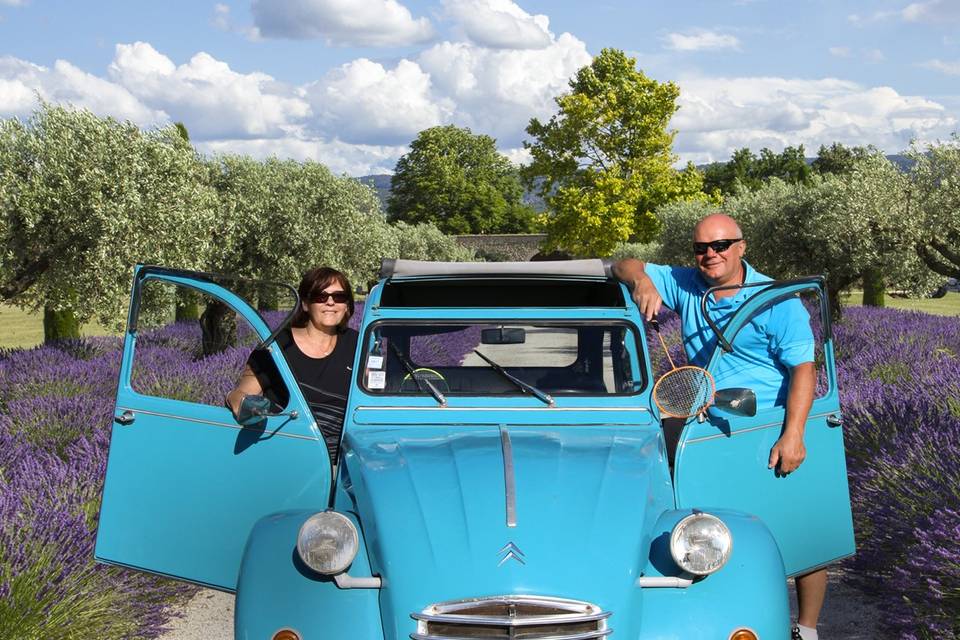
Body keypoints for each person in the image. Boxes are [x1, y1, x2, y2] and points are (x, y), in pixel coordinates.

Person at [614, 213, 825, 640]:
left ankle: (807, 629)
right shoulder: (688, 283)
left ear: (742, 247)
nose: (710, 255)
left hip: (767, 424)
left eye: (721, 245)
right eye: (701, 248)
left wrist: (794, 433)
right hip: (705, 426)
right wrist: (642, 281)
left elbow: (804, 369)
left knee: (803, 530)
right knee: (704, 528)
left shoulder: (776, 300)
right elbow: (623, 262)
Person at [226, 266, 359, 465]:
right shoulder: (277, 347)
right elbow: (240, 394)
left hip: (344, 463)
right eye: (320, 296)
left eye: (339, 297)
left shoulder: (359, 345)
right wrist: (242, 403)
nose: (330, 302)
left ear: (347, 305)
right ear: (305, 304)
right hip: (288, 457)